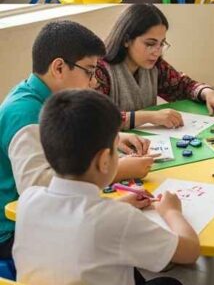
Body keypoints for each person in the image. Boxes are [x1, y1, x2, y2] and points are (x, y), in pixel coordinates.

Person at [13, 89, 199, 285]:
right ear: (104, 160)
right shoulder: (118, 220)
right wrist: (172, 212)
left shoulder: (28, 199)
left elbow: (75, 220)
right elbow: (190, 251)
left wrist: (121, 204)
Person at [0, 20, 153, 257]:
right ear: (59, 68)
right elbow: (36, 184)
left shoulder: (43, 96)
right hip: (14, 231)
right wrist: (118, 169)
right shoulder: (24, 113)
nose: (93, 81)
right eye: (89, 71)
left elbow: (61, 139)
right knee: (108, 242)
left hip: (40, 216)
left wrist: (112, 137)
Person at [94, 4, 214, 130]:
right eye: (150, 44)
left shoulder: (155, 65)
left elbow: (182, 85)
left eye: (161, 43)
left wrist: (209, 94)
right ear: (126, 40)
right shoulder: (99, 70)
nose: (157, 51)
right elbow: (96, 118)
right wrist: (150, 117)